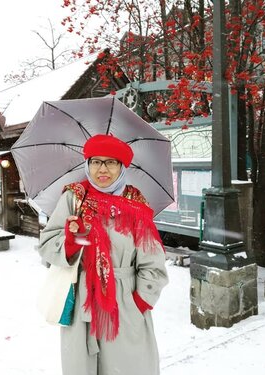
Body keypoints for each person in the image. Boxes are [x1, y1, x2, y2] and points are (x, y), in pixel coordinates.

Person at [38, 134, 168, 375]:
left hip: (123, 303)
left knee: (128, 367)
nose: (103, 169)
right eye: (95, 161)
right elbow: (47, 244)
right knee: (82, 367)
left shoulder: (136, 205)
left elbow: (154, 264)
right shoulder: (74, 198)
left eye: (111, 162)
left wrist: (138, 302)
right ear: (87, 165)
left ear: (122, 167)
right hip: (81, 302)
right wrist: (71, 240)